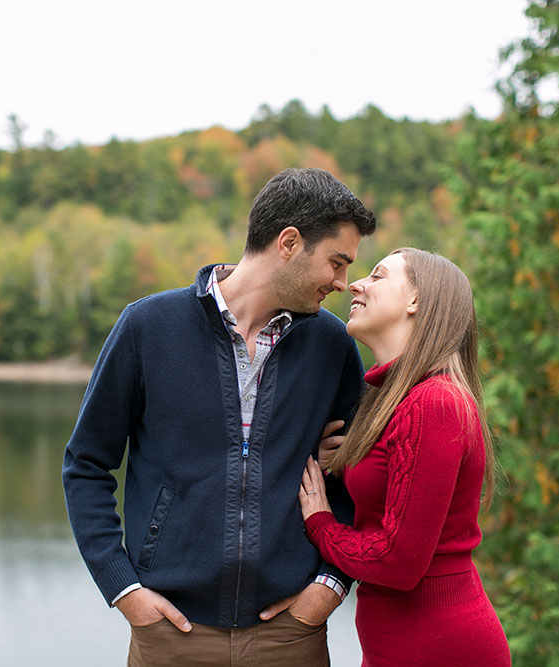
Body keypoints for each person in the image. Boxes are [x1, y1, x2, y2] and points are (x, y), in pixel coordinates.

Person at [62, 168, 377, 666]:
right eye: (336, 263)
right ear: (289, 242)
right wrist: (123, 588)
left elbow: (357, 473)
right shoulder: (147, 327)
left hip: (289, 635)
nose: (341, 283)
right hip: (171, 632)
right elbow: (85, 465)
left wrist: (330, 586)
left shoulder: (332, 345)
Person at [298, 248, 510, 666]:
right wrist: (333, 464)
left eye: (377, 276)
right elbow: (390, 492)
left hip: (438, 646)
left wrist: (321, 525)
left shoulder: (435, 403)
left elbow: (397, 562)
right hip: (398, 643)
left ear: (416, 301)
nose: (355, 283)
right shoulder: (393, 401)